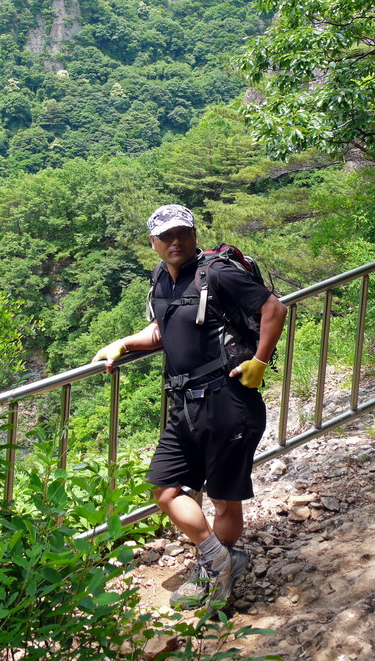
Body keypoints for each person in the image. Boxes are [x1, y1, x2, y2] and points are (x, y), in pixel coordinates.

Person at [93, 203, 287, 611]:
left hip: (227, 398)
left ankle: (215, 571)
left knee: (223, 497)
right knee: (166, 490)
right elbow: (165, 329)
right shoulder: (161, 277)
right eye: (165, 237)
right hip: (184, 403)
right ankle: (219, 559)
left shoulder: (217, 273)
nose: (175, 242)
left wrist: (261, 361)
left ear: (195, 235)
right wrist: (125, 343)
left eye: (182, 233)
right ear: (153, 244)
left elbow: (274, 308)